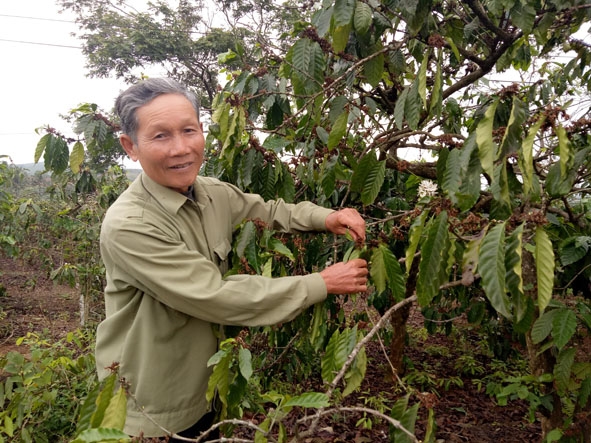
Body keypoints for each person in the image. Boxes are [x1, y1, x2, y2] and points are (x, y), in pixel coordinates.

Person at [95, 77, 369, 441]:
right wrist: (322, 283)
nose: (181, 148)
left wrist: (325, 217)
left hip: (207, 386)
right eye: (161, 136)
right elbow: (215, 296)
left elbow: (268, 209)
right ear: (131, 146)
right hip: (154, 406)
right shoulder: (130, 225)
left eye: (188, 130)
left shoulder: (210, 193)